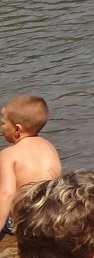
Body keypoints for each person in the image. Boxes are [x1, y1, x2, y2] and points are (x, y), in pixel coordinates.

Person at [0, 96, 61, 236]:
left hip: (25, 222)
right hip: (50, 216)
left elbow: (6, 194)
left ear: (17, 129)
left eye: (2, 123)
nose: (1, 128)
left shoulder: (8, 154)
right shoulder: (49, 146)